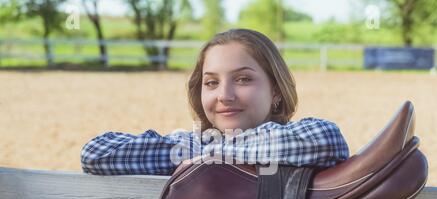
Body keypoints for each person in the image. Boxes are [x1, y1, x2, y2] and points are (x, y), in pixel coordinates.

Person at [81, 29, 349, 175]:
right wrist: (205, 151)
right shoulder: (194, 143)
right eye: (211, 83)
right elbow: (96, 154)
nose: (224, 95)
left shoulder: (299, 139)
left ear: (276, 90)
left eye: (243, 79)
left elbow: (326, 141)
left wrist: (212, 156)